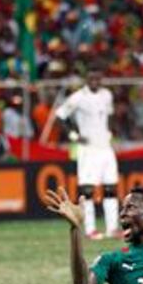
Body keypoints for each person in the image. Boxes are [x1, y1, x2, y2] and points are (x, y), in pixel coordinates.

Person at [55, 69, 120, 240]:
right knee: (88, 190)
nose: (94, 81)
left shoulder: (107, 95)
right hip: (88, 149)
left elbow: (110, 115)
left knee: (110, 188)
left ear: (101, 79)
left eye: (97, 77)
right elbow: (60, 116)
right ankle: (90, 229)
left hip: (105, 147)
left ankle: (112, 228)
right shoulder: (78, 97)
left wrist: (110, 131)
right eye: (91, 78)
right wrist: (74, 136)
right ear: (86, 79)